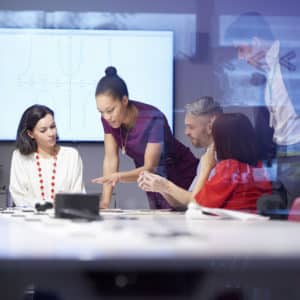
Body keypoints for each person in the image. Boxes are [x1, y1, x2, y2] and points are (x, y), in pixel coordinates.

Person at [92, 66, 199, 209]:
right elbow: (111, 158)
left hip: (179, 174)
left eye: (110, 110)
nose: (106, 117)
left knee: (186, 219)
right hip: (152, 180)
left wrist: (118, 176)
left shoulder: (152, 118)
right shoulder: (108, 120)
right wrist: (105, 201)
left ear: (125, 100)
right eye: (101, 112)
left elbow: (150, 167)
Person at [225, 11, 300, 210]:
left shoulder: (293, 58)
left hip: (295, 149)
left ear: (256, 41)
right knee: (276, 210)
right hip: (282, 152)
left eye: (241, 49)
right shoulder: (267, 72)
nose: (240, 58)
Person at [140, 113, 272, 211]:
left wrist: (206, 168)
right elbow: (187, 201)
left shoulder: (229, 167)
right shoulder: (257, 167)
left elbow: (196, 204)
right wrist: (161, 187)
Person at [137, 96, 223, 209]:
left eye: (191, 127)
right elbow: (185, 203)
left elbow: (196, 202)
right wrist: (160, 187)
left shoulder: (221, 158)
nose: (186, 132)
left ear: (211, 125)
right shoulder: (206, 157)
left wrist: (166, 186)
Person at [9, 104, 86, 208]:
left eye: (52, 127)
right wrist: (48, 205)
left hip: (65, 220)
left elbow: (78, 195)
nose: (51, 133)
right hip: (30, 221)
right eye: (43, 130)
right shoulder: (20, 156)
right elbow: (19, 196)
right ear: (30, 134)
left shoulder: (71, 156)